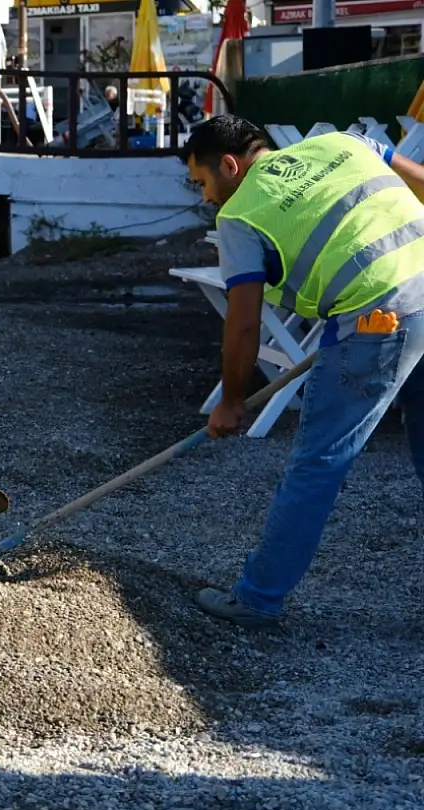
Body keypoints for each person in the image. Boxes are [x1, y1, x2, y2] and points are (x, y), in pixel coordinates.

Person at [181, 115, 424, 630]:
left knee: (319, 462)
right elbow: (420, 179)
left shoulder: (240, 217)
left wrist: (229, 401)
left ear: (229, 165)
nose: (205, 198)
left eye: (203, 182)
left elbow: (244, 325)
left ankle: (256, 599)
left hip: (378, 319)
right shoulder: (342, 143)